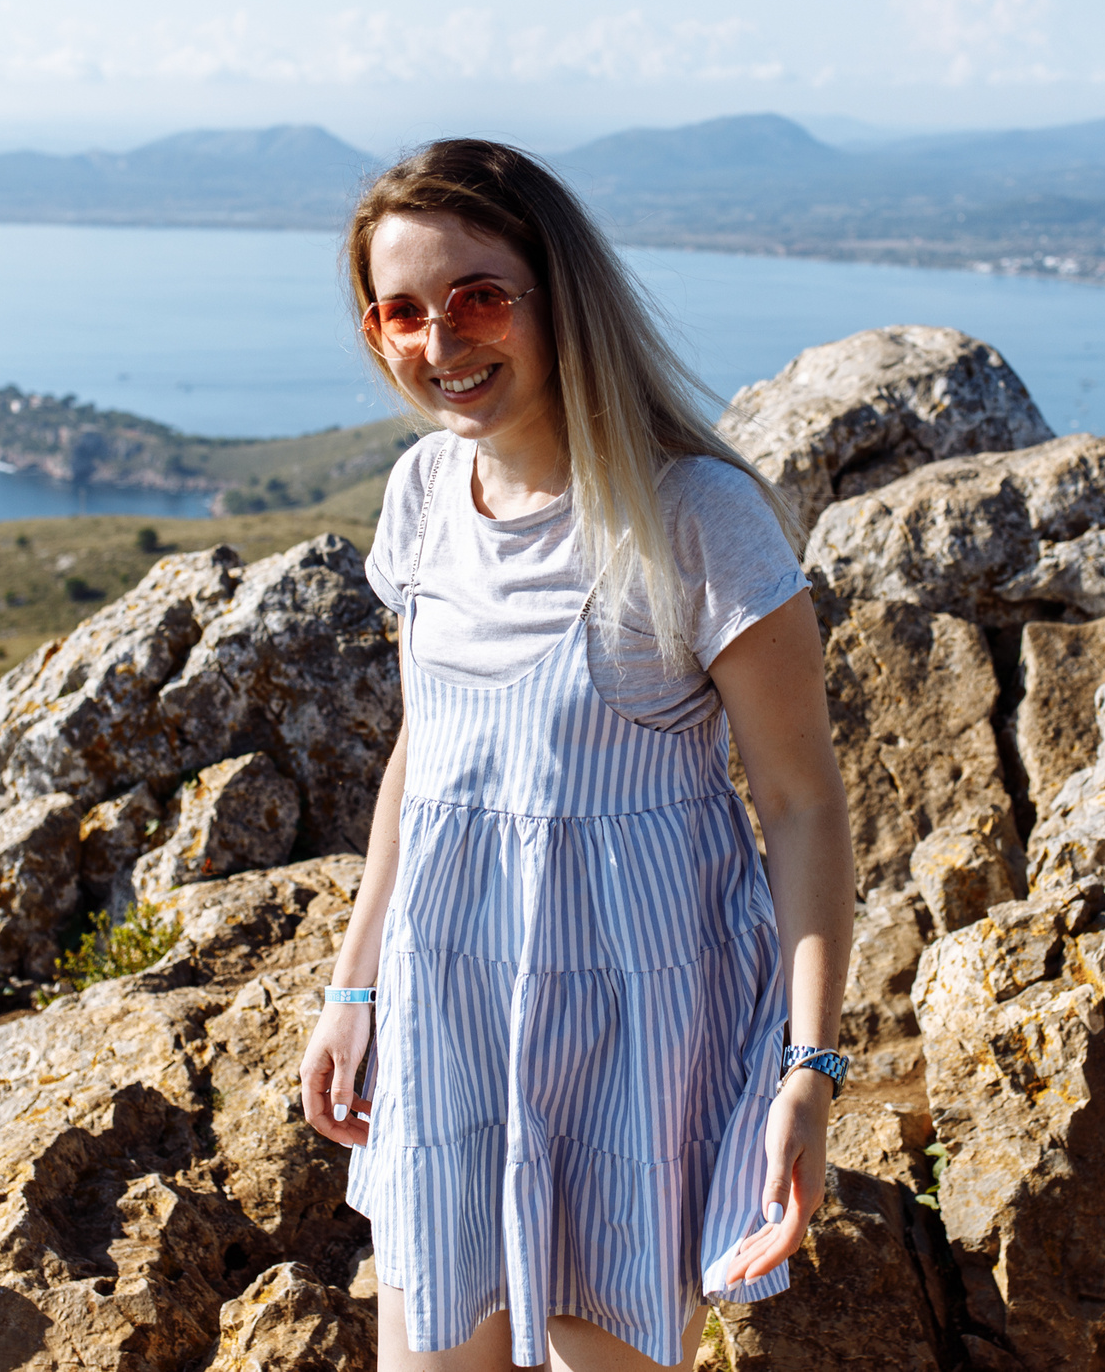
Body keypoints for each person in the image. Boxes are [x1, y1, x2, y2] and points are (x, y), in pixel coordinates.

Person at [298, 140, 856, 1372]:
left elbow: (805, 806)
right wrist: (354, 986)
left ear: (562, 297)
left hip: (637, 1034)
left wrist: (806, 1070)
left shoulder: (695, 518)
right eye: (401, 312)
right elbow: (422, 756)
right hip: (449, 1009)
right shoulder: (422, 495)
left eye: (480, 298)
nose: (439, 344)